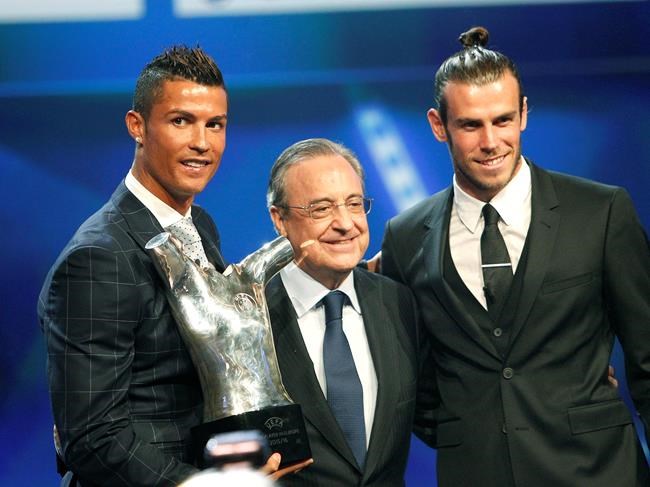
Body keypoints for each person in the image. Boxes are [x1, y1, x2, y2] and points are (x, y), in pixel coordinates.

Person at [381, 27, 650, 487]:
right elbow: (411, 380)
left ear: (524, 113)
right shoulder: (405, 236)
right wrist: (468, 428)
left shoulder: (601, 211)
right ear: (437, 125)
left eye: (503, 120)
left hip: (600, 471)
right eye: (470, 125)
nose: (490, 142)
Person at [38, 45, 308, 487]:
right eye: (181, 121)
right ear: (137, 126)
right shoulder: (97, 258)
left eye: (215, 125)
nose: (201, 143)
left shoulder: (199, 226)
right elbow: (91, 438)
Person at [265, 138, 420, 486]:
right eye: (321, 209)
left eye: (354, 204)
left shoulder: (398, 303)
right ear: (280, 219)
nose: (345, 223)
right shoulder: (248, 316)